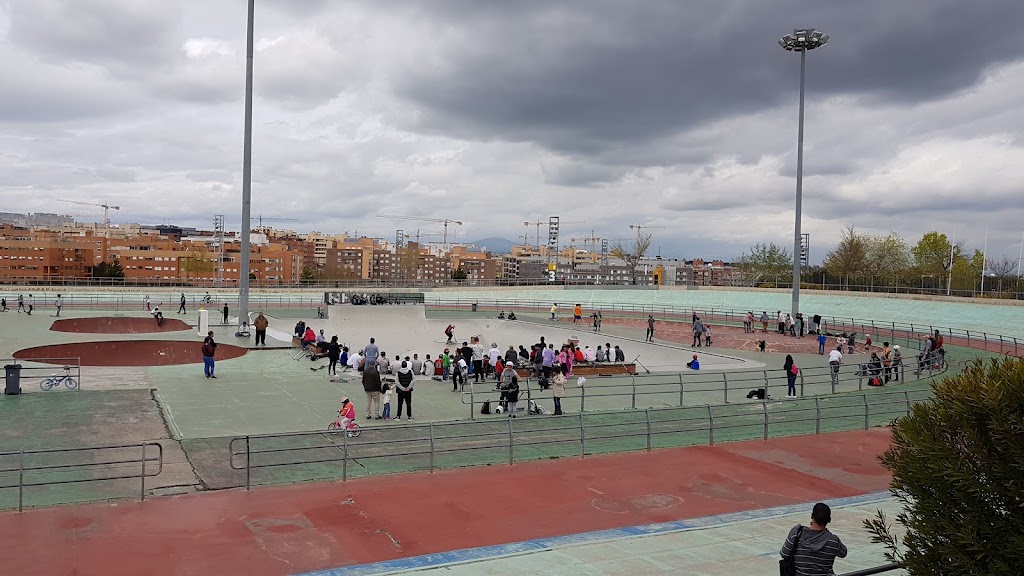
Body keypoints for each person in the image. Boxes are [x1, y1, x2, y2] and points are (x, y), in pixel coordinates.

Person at [780, 502, 848, 575]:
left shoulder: (797, 533)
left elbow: (784, 554)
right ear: (829, 520)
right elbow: (843, 553)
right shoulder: (833, 541)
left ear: (812, 516)